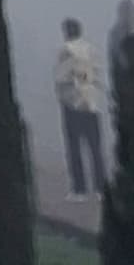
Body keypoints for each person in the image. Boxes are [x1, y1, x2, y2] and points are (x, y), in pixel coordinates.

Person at [53, 19, 108, 198]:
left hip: (72, 104)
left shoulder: (65, 51)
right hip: (91, 102)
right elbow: (98, 75)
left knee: (74, 148)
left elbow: (61, 78)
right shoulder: (91, 50)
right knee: (95, 147)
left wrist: (62, 96)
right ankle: (100, 186)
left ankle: (79, 188)